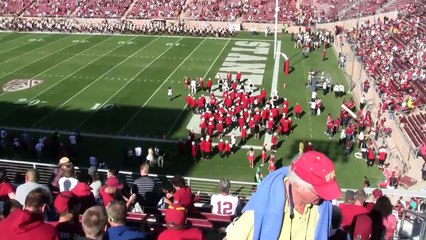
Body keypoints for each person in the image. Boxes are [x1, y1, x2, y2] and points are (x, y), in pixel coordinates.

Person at [225, 151, 341, 239]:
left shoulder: (323, 207)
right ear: (299, 187)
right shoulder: (258, 212)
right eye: (320, 191)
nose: (326, 197)